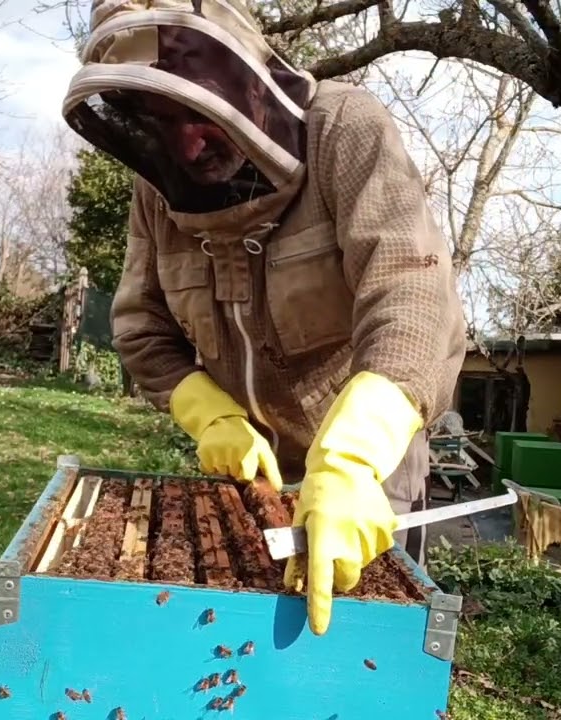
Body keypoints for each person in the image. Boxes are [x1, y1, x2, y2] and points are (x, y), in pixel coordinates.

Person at [61, 0, 467, 635]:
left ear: (243, 76)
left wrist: (355, 459)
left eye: (193, 111)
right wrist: (210, 414)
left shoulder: (343, 128)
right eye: (161, 122)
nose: (186, 144)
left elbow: (413, 295)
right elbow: (141, 328)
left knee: (353, 648)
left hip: (368, 468)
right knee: (231, 648)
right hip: (253, 470)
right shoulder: (159, 194)